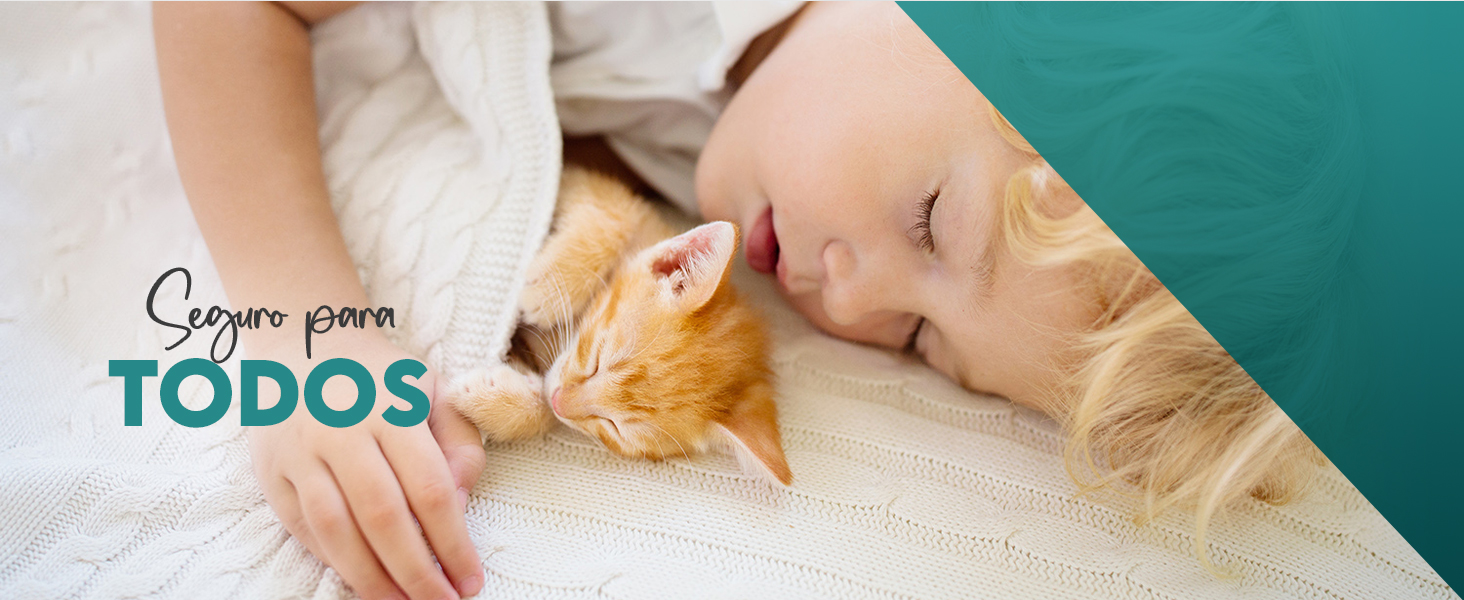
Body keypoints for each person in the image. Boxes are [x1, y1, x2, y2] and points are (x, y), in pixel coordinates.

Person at [154, 2, 1323, 599]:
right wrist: (304, 327)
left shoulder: (778, 111)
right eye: (928, 222)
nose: (852, 302)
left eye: (921, 341)